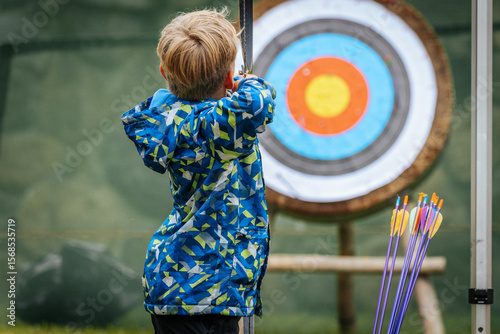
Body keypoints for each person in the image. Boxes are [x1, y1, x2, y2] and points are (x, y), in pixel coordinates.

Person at [121, 8, 276, 334]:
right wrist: (245, 82)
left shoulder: (168, 116)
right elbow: (258, 104)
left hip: (174, 284)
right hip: (207, 291)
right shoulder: (216, 126)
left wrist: (228, 80)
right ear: (228, 77)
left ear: (164, 72)